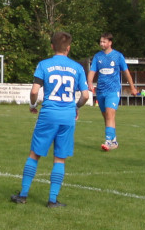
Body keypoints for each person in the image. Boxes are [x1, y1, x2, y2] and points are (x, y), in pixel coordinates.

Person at [10, 31, 90, 208]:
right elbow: (85, 95)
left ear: (52, 46)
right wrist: (76, 107)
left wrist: (33, 105)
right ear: (68, 48)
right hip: (67, 116)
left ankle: (23, 195)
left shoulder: (44, 65)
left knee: (35, 154)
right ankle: (52, 200)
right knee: (60, 158)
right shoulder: (77, 68)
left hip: (48, 114)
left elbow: (34, 91)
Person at [88, 33, 137, 150]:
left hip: (113, 90)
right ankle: (114, 141)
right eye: (100, 41)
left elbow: (126, 72)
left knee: (110, 115)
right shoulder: (97, 57)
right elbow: (92, 71)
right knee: (106, 117)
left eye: (104, 42)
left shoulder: (118, 56)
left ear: (110, 43)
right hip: (100, 91)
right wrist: (89, 82)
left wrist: (132, 87)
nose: (101, 44)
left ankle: (108, 141)